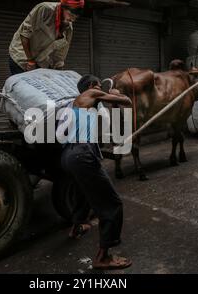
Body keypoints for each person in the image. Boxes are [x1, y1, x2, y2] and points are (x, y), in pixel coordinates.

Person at [57, 74, 133, 270]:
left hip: (68, 156)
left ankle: (76, 228)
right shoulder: (91, 93)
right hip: (81, 155)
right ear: (91, 86)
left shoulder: (74, 104)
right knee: (112, 204)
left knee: (82, 193)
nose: (99, 89)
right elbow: (126, 101)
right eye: (99, 86)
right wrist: (116, 93)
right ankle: (103, 257)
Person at [8, 0, 85, 75]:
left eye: (75, 18)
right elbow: (24, 34)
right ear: (63, 8)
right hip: (21, 55)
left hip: (40, 61)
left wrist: (59, 71)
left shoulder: (68, 28)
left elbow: (61, 53)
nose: (72, 19)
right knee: (21, 85)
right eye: (70, 15)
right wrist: (30, 60)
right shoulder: (45, 9)